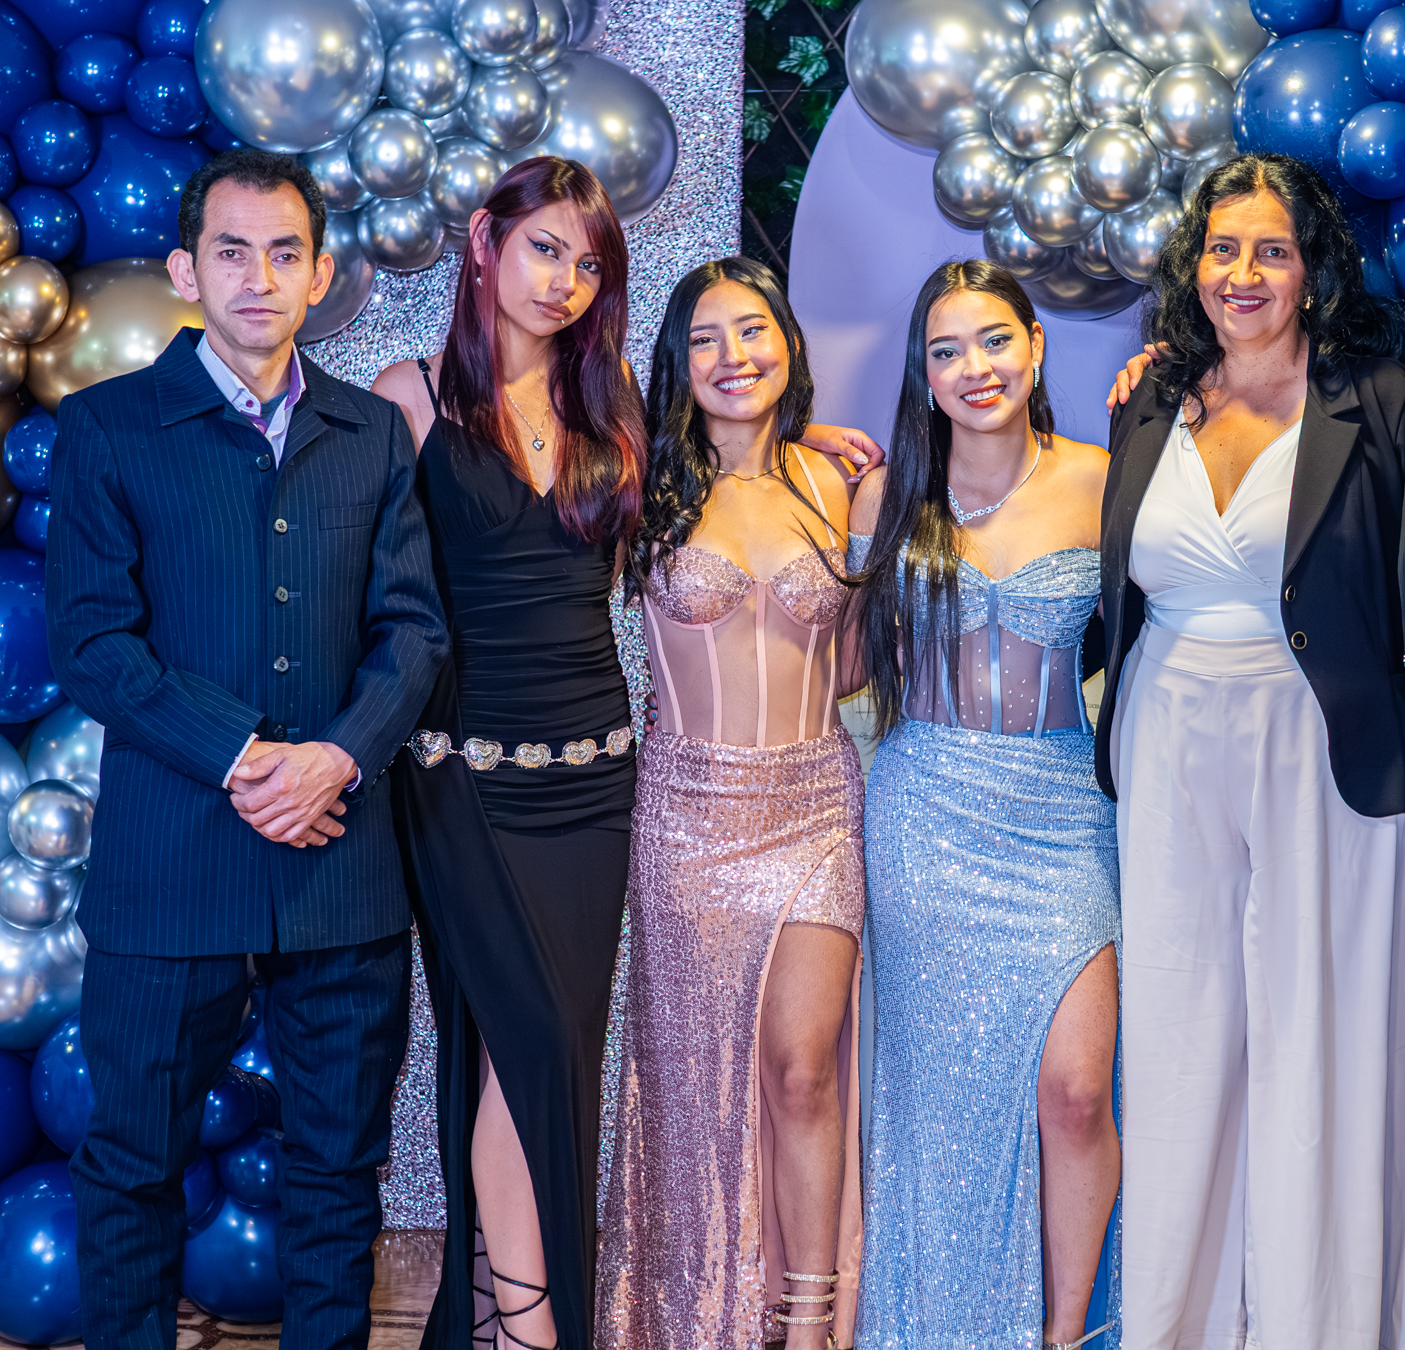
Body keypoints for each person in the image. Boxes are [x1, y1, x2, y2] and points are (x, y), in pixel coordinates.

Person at [47, 148, 447, 1350]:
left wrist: (334, 759)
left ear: (321, 274)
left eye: (284, 253)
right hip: (169, 870)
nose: (258, 278)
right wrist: (249, 758)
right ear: (186, 270)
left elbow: (414, 630)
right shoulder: (108, 428)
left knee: (338, 1174)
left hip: (341, 869)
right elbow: (93, 643)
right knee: (132, 1168)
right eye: (232, 251)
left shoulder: (372, 433)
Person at [1099, 153, 1405, 1349]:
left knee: (1325, 1036)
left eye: (1271, 250)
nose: (1242, 274)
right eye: (1222, 249)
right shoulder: (1147, 400)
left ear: (1312, 271)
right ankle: (1185, 1322)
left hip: (1326, 751)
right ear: (1192, 265)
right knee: (1182, 1036)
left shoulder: (1382, 397)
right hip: (1168, 746)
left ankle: (1327, 1320)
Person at [373, 155, 645, 1350]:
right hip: (461, 783)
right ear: (485, 240)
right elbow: (359, 596)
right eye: (545, 248)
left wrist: (821, 448)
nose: (565, 281)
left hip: (596, 781)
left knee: (550, 1054)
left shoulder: (612, 400)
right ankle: (537, 1335)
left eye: (587, 264)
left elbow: (703, 510)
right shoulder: (409, 397)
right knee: (526, 1046)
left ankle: (505, 1324)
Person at [850, 259, 1121, 1350]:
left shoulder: (1104, 479)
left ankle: (1068, 1334)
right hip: (924, 813)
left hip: (1062, 812)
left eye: (996, 339)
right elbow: (836, 657)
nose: (976, 367)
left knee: (1078, 1090)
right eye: (947, 350)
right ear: (923, 375)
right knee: (941, 1102)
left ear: (1037, 347)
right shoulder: (887, 494)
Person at [598, 257, 864, 1350]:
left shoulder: (838, 483)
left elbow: (855, 660)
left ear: (788, 343)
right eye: (704, 338)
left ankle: (807, 1322)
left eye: (752, 330)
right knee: (698, 1090)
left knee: (803, 1071)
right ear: (676, 363)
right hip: (686, 816)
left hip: (814, 807)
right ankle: (693, 1315)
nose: (733, 356)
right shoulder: (636, 485)